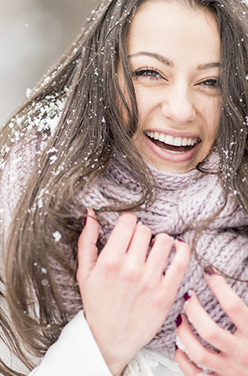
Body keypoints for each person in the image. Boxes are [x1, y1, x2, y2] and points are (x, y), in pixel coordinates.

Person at [0, 0, 248, 375]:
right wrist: (96, 347)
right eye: (150, 72)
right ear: (101, 76)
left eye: (211, 82)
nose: (182, 110)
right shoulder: (19, 220)